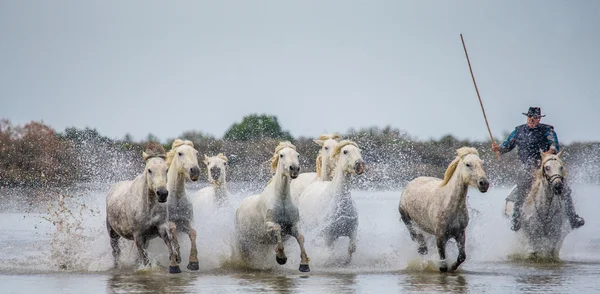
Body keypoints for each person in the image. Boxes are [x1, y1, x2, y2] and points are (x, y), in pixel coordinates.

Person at [491, 106, 585, 231]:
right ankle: (516, 219)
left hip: (546, 165)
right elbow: (506, 145)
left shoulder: (547, 130)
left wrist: (549, 152)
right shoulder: (518, 131)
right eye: (530, 117)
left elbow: (554, 146)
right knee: (522, 187)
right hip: (528, 167)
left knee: (564, 188)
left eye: (535, 118)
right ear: (527, 117)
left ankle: (573, 218)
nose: (532, 119)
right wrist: (498, 148)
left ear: (539, 119)